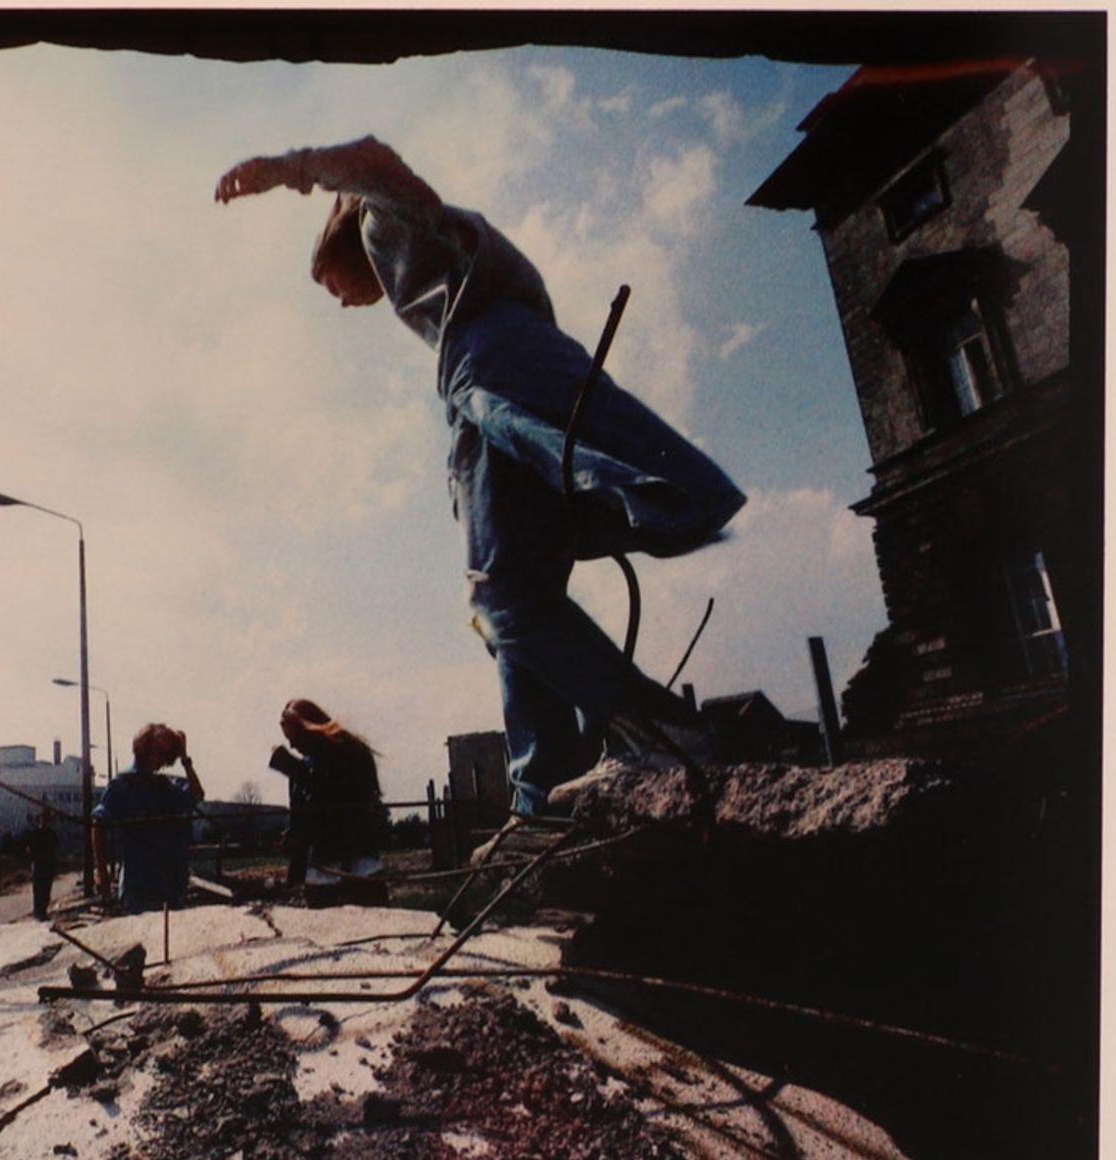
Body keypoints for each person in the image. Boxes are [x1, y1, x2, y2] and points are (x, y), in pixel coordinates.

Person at [217, 137, 745, 816]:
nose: (342, 302)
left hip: (493, 370)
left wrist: (284, 171)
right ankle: (544, 792)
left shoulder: (387, 221)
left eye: (329, 284)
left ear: (341, 243)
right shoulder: (450, 266)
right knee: (516, 596)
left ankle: (662, 731)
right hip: (503, 370)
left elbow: (376, 162)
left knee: (500, 597)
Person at [269, 698, 388, 902]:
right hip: (320, 871)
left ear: (306, 730)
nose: (292, 745)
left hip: (359, 866)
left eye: (293, 737)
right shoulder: (302, 770)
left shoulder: (352, 754)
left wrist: (290, 766)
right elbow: (301, 828)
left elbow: (333, 793)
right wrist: (293, 875)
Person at [92, 724, 204, 914]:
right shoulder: (123, 784)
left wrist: (185, 758)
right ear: (144, 748)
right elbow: (98, 824)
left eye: (167, 756)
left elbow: (197, 795)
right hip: (139, 888)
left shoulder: (164, 786)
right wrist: (101, 871)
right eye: (160, 753)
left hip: (171, 886)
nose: (162, 761)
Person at [22, 807, 63, 921]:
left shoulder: (52, 834)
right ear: (40, 821)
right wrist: (35, 856)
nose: (45, 822)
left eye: (47, 820)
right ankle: (38, 912)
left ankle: (43, 912)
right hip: (39, 865)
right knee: (38, 890)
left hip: (48, 865)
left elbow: (56, 848)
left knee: (46, 890)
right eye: (43, 820)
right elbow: (28, 849)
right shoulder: (35, 833)